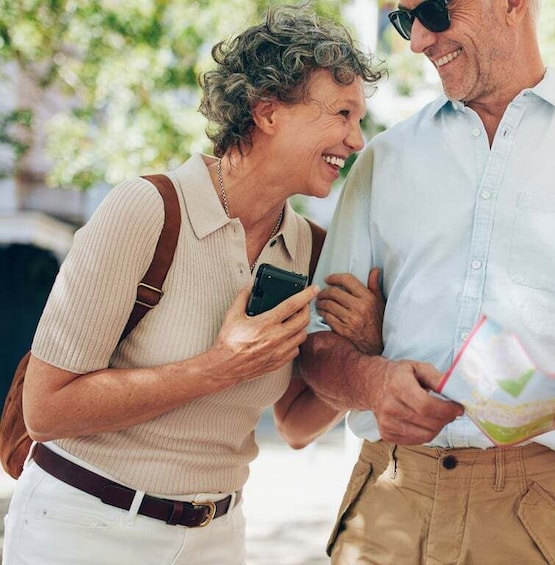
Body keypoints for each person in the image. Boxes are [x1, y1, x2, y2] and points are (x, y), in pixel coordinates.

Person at [300, 0, 555, 563]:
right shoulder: (383, 160)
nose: (417, 40)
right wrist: (370, 382)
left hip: (542, 511)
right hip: (388, 500)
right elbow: (317, 346)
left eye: (433, 11)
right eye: (402, 20)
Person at [2, 6, 384, 564]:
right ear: (268, 111)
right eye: (342, 114)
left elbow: (297, 425)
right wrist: (218, 367)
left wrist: (366, 348)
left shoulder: (310, 249)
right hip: (84, 528)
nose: (355, 140)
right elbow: (46, 409)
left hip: (215, 537)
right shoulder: (148, 209)